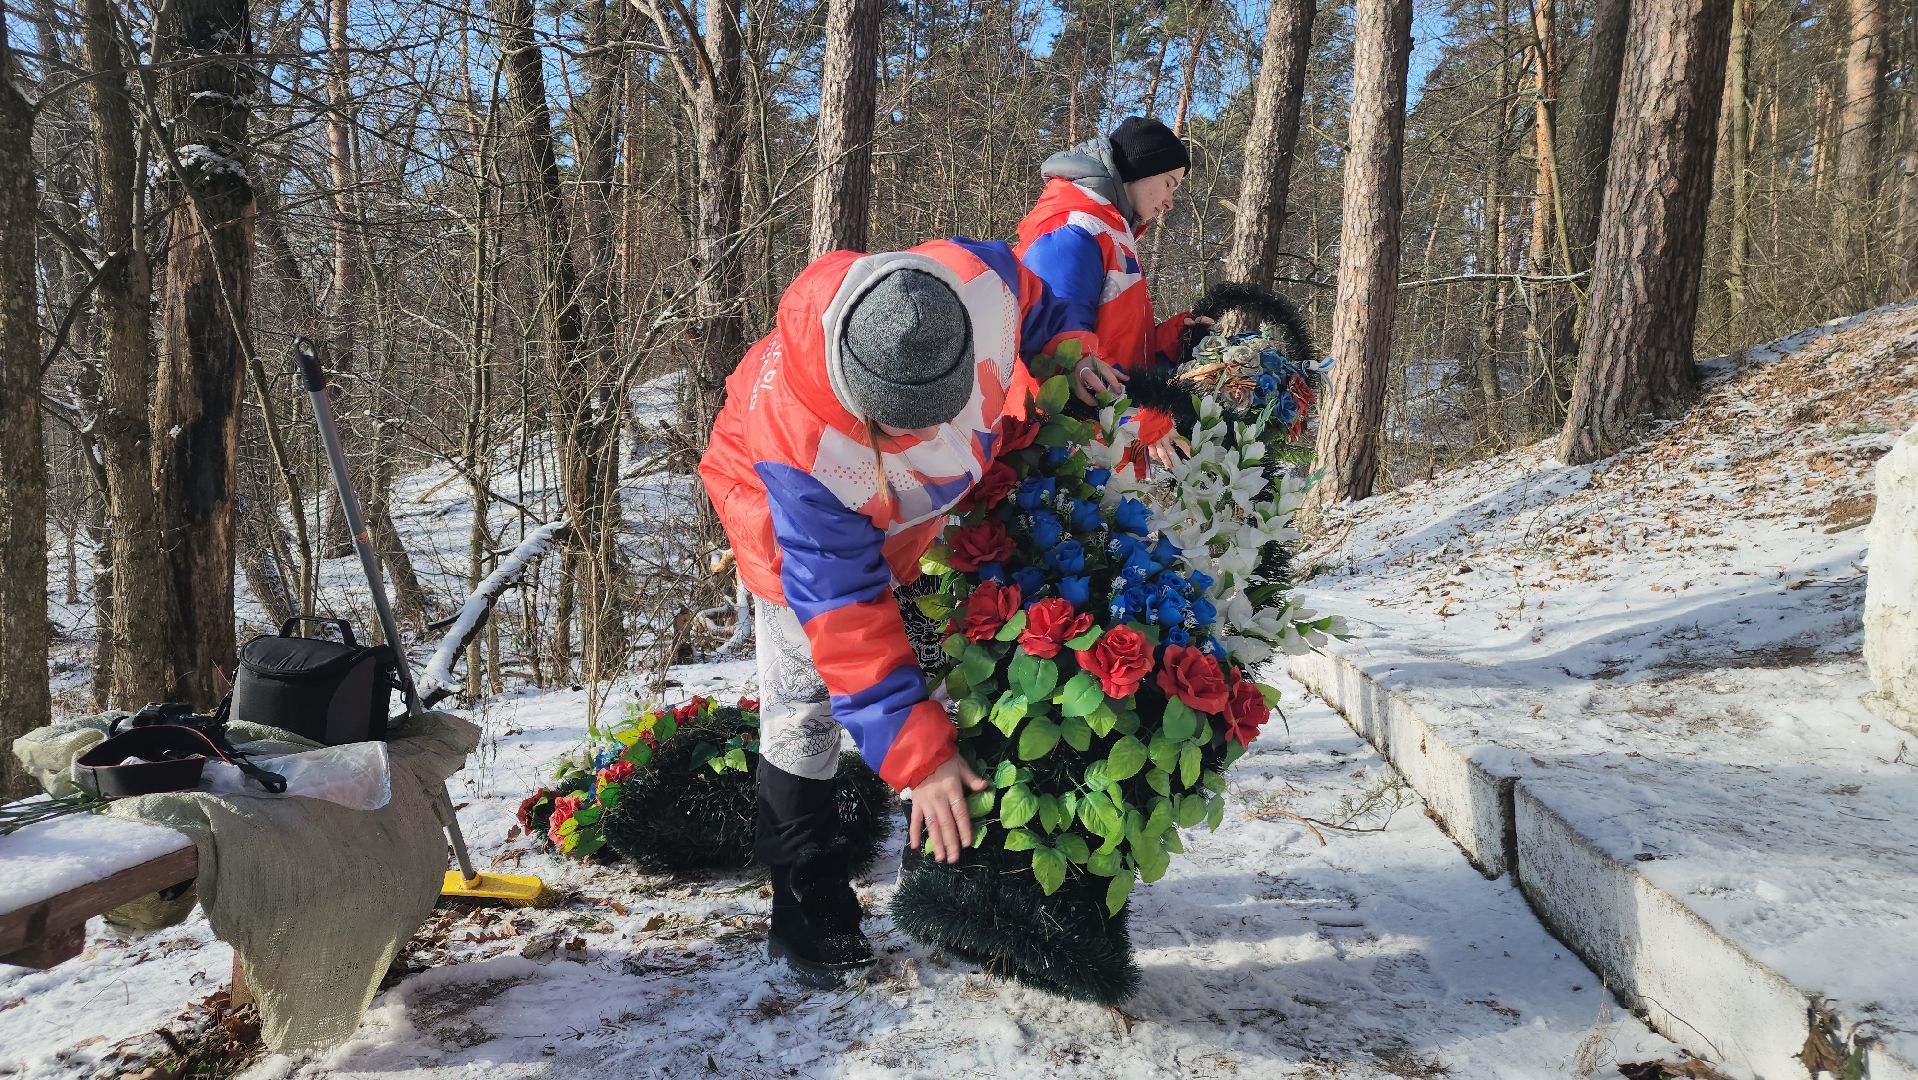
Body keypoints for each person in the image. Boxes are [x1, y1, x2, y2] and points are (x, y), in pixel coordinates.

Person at [698, 237, 1089, 988]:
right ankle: (805, 897)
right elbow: (844, 608)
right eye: (899, 432)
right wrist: (920, 756)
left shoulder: (979, 284)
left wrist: (1072, 350)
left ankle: (941, 863)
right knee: (806, 701)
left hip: (907, 525)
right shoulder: (804, 455)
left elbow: (1039, 308)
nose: (925, 441)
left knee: (941, 669)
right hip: (779, 522)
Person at [1016, 116, 1207, 464]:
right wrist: (1134, 416)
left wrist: (1174, 341)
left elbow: (1121, 346)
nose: (1169, 202)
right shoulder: (1075, 226)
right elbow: (1060, 353)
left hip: (1101, 447)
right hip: (1063, 453)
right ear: (1141, 168)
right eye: (1169, 184)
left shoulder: (1112, 231)